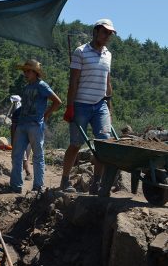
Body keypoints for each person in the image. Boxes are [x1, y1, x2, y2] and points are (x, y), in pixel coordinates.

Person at [61, 19, 116, 195]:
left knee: (104, 143)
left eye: (109, 33)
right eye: (104, 32)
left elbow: (107, 83)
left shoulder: (108, 54)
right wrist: (70, 107)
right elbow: (73, 81)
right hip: (81, 104)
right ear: (96, 31)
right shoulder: (81, 52)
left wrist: (109, 107)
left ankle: (97, 183)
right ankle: (64, 178)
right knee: (76, 144)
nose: (107, 36)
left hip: (100, 105)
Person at [10, 59, 62, 193]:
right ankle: (15, 186)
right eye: (24, 71)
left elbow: (57, 102)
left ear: (35, 72)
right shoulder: (27, 87)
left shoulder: (42, 85)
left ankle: (38, 186)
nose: (25, 74)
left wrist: (46, 115)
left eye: (28, 71)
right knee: (16, 155)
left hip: (35, 125)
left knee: (38, 156)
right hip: (22, 124)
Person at [9, 96, 32, 181]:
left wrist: (13, 140)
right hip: (27, 137)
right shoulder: (29, 111)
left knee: (23, 157)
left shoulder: (18, 112)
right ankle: (22, 174)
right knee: (24, 156)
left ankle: (27, 173)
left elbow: (13, 127)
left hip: (23, 138)